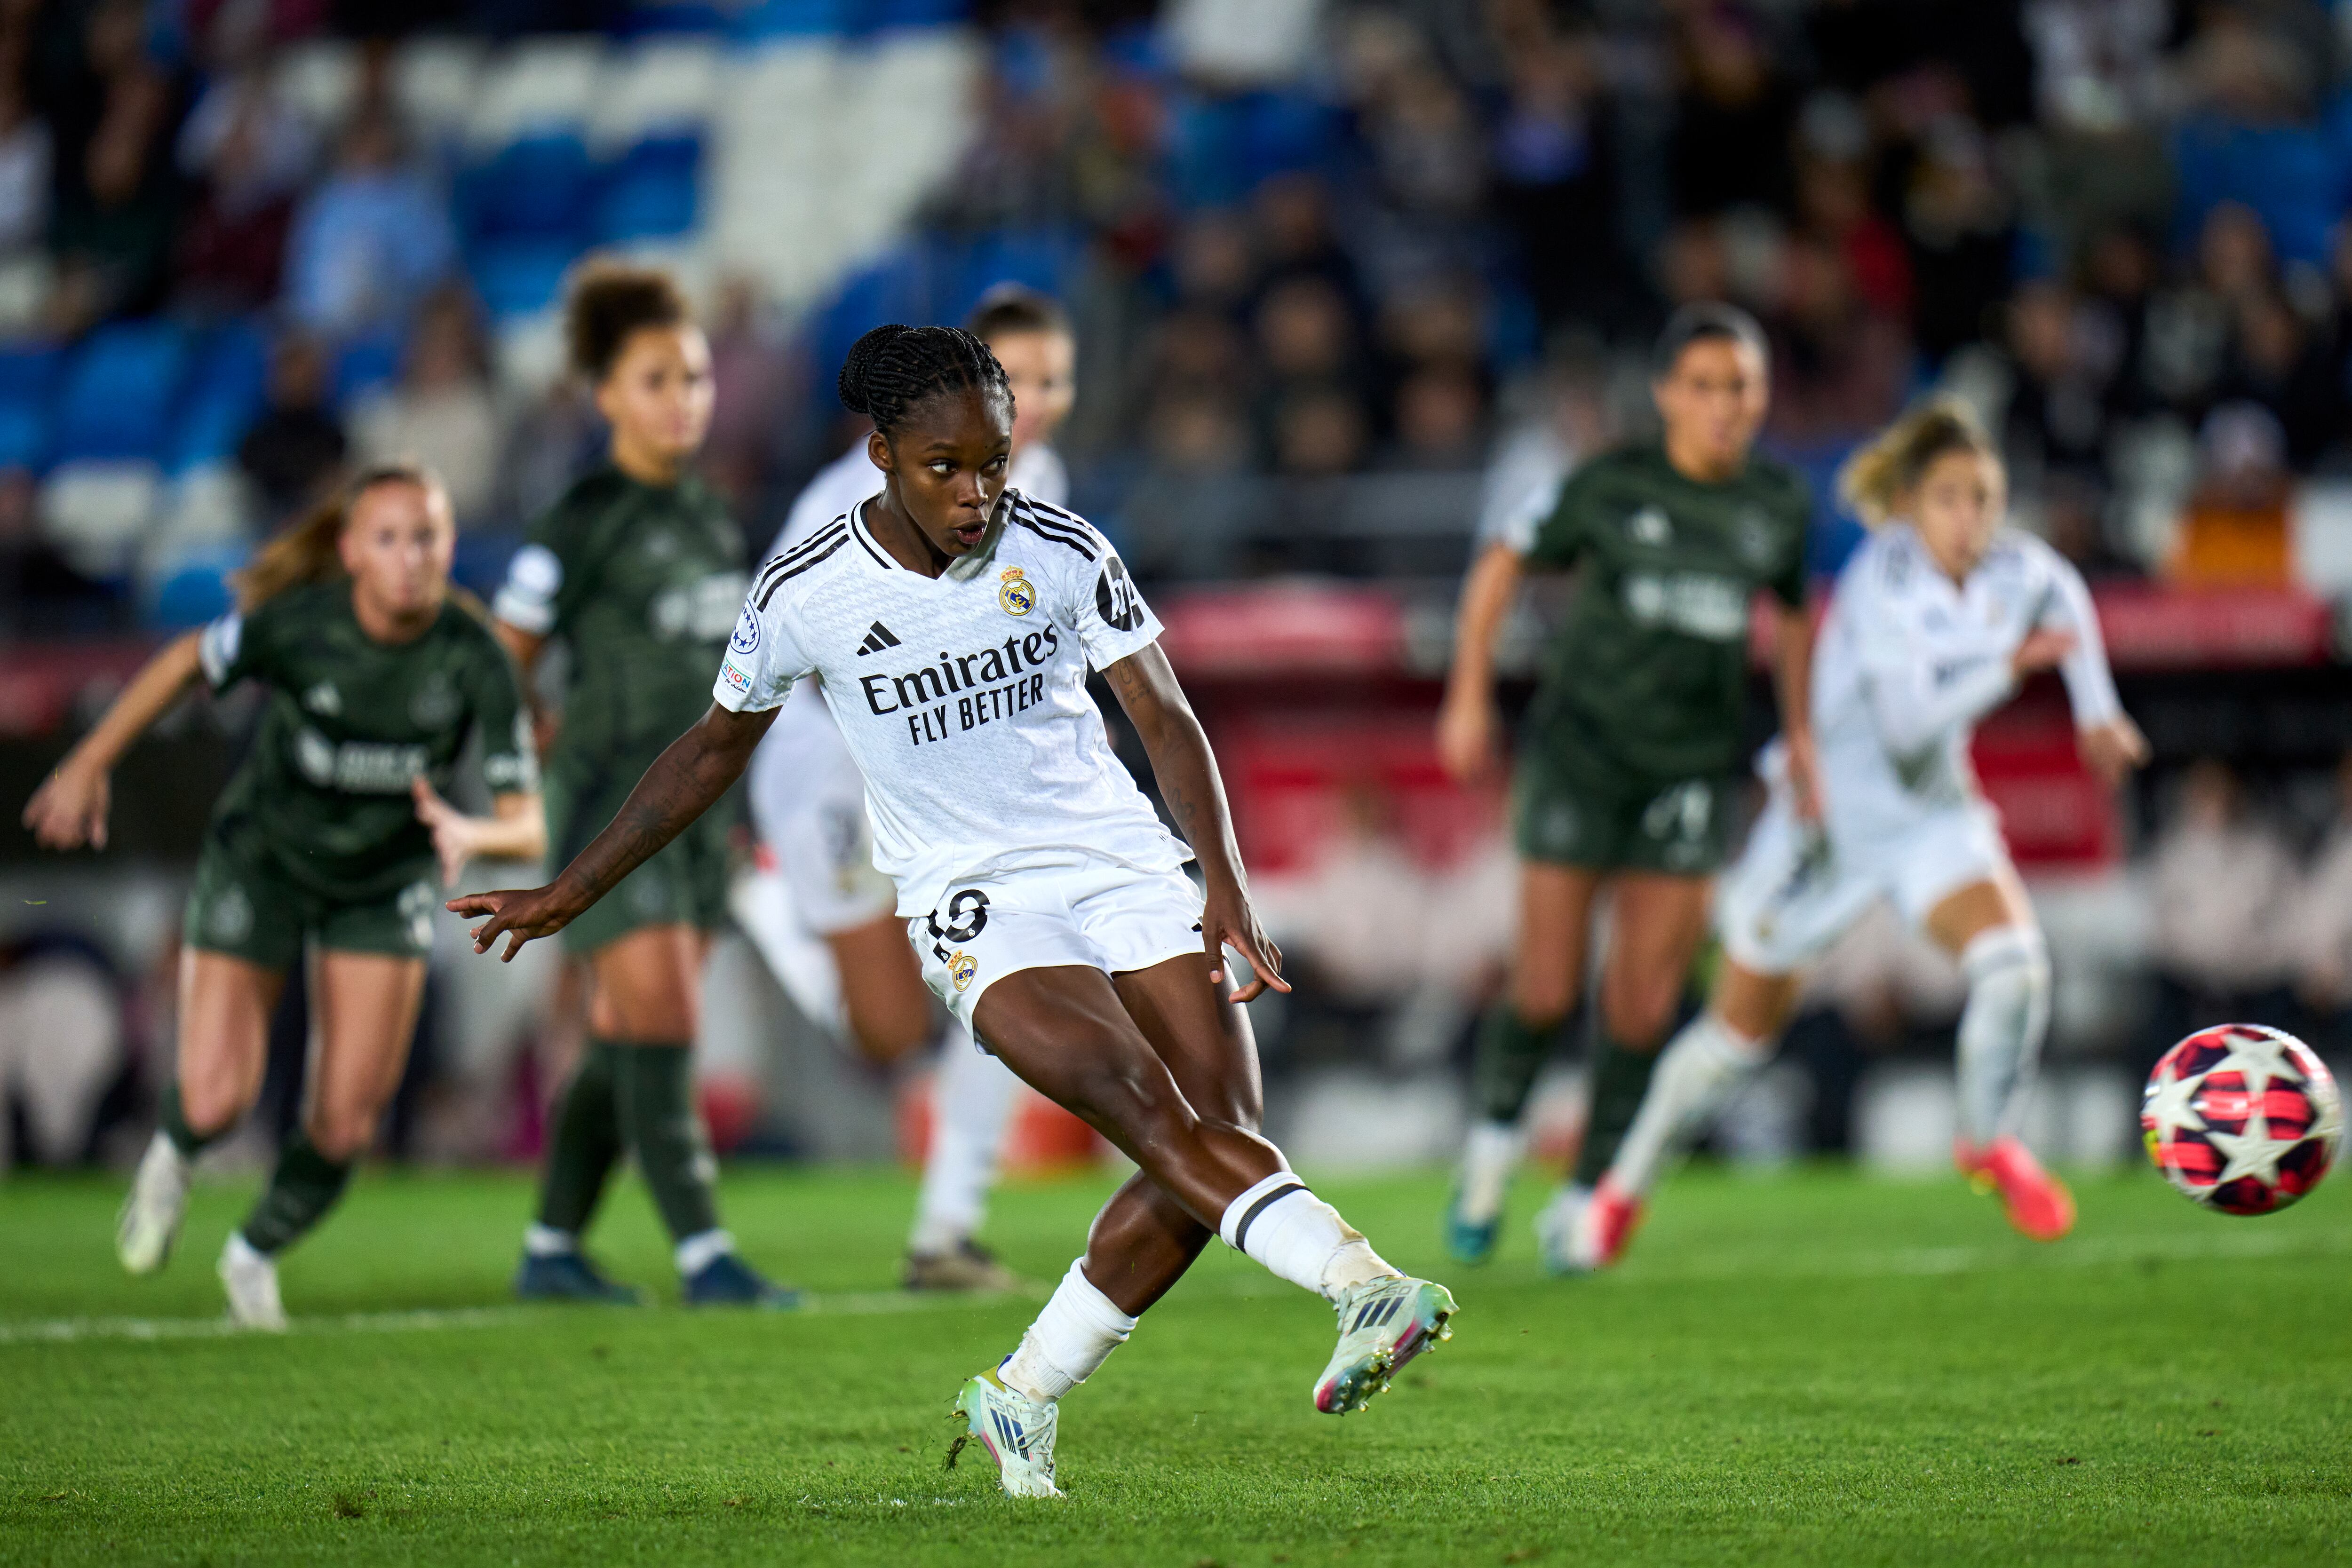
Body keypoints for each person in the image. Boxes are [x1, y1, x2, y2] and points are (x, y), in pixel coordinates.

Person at [453, 325, 1456, 1499]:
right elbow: (711, 749)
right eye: (946, 467)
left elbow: (1165, 713)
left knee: (1219, 1133)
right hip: (977, 899)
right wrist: (570, 888)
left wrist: (1219, 877)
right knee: (1144, 1107)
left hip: (1122, 858)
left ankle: (1020, 1395)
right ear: (880, 453)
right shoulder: (806, 591)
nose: (979, 492)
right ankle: (1359, 1280)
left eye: (996, 460)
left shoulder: (1065, 546)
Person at [1584, 400, 2149, 1264]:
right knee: (1733, 1044)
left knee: (2014, 969)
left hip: (1929, 816)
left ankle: (1987, 1141)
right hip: (1828, 827)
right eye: (1951, 500)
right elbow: (1907, 725)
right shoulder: (1879, 584)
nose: (1972, 520)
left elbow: (2065, 596)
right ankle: (1622, 1189)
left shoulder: (2012, 568)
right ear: (1911, 507)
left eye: (1985, 499)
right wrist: (2009, 668)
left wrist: (2098, 712)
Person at [22, 465, 543, 1327]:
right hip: (262, 860)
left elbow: (524, 824)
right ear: (349, 553)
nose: (410, 558)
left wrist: (469, 832)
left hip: (382, 884)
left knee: (347, 1124)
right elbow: (189, 657)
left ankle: (252, 1250)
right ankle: (173, 1154)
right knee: (221, 1096)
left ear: (450, 546)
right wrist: (89, 760)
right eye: (388, 538)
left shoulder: (475, 652)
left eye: (427, 537)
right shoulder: (302, 626)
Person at [1437, 303, 1818, 1272]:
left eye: (1741, 386)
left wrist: (1804, 734)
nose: (1724, 405)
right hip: (1583, 756)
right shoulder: (1608, 485)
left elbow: (1794, 615)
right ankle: (1488, 1155)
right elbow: (1501, 560)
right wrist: (1469, 691)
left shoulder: (1776, 503)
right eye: (1704, 386)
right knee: (1547, 985)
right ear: (1666, 396)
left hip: (1691, 771)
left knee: (1644, 1006)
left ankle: (1584, 1198)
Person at [738, 285, 1076, 1291]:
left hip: (948, 761)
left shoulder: (1040, 472)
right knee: (891, 1031)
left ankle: (945, 1230)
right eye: (1018, 378)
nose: (1041, 400)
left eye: (1055, 379)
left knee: (1005, 974)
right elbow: (774, 649)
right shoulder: (846, 499)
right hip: (831, 761)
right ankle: (773, 901)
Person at [489, 264, 791, 1308]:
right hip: (611, 798)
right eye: (657, 379)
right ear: (606, 394)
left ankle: (550, 1245)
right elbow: (503, 652)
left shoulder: (713, 520)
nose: (684, 400)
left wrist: (745, 813)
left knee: (628, 1036)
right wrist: (519, 747)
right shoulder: (580, 520)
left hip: (699, 815)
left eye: (697, 378)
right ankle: (707, 1255)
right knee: (658, 1016)